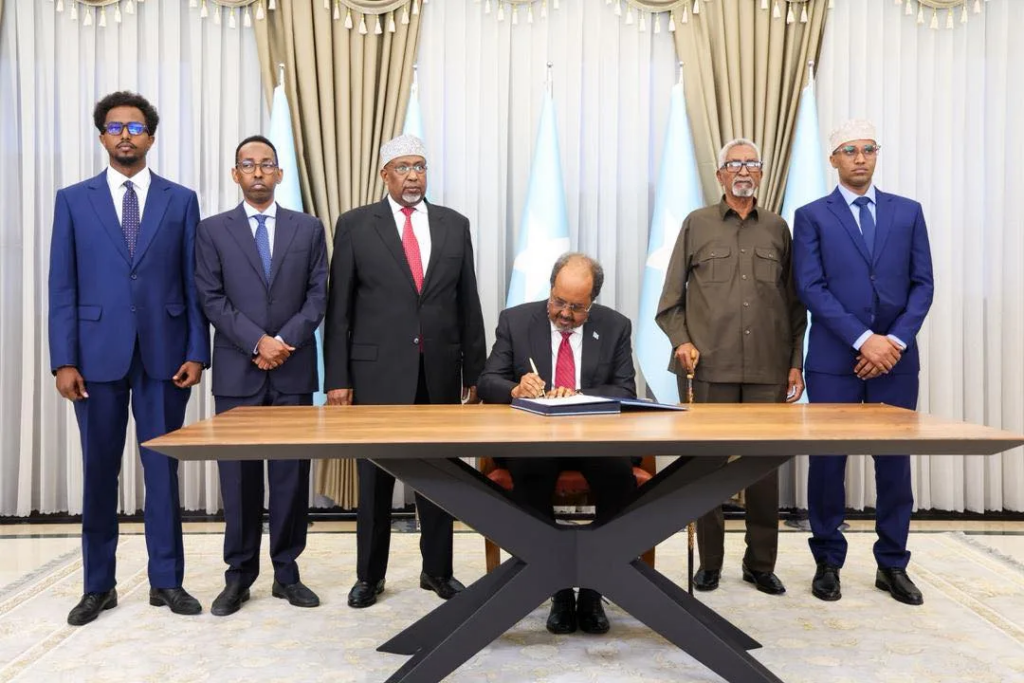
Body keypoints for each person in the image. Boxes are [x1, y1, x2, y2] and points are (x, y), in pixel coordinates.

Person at [48, 91, 209, 625]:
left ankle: (167, 581)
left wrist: (197, 350)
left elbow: (192, 281)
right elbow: (62, 285)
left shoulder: (180, 200)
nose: (125, 135)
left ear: (150, 138)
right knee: (99, 472)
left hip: (166, 355)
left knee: (162, 471)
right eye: (115, 127)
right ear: (102, 137)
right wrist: (63, 360)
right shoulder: (74, 200)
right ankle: (98, 586)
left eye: (135, 127)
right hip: (94, 358)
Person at [324, 134, 487, 609]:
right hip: (375, 376)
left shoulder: (454, 224)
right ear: (384, 175)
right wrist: (338, 379)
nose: (413, 175)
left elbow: (468, 302)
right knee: (375, 480)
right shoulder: (356, 225)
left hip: (439, 372)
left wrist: (474, 374)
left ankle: (437, 571)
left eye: (420, 166)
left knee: (440, 476)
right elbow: (339, 310)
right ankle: (369, 576)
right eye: (403, 167)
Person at [656, 138, 806, 596]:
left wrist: (795, 363)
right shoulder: (697, 224)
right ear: (720, 174)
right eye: (734, 164)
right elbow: (669, 302)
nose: (743, 170)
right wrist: (682, 341)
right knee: (706, 470)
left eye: (751, 163)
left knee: (763, 473)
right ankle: (710, 563)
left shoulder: (778, 228)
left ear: (761, 173)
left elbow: (794, 305)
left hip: (767, 369)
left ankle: (760, 564)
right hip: (707, 370)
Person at [793, 120, 934, 606]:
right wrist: (862, 340)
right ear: (833, 159)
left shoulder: (908, 212)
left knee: (894, 465)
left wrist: (891, 342)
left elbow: (923, 285)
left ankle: (892, 564)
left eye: (868, 149)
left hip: (896, 361)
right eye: (849, 150)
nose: (859, 158)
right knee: (827, 464)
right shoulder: (811, 216)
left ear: (877, 154)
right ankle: (827, 561)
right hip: (835, 363)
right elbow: (811, 287)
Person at [194, 135, 328, 616]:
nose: (257, 172)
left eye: (266, 164)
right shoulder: (212, 231)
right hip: (238, 372)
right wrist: (257, 342)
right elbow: (211, 298)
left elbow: (318, 294)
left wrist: (282, 342)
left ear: (279, 173)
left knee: (291, 476)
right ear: (235, 174)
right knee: (239, 479)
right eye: (248, 165)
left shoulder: (308, 228)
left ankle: (287, 573)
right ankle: (239, 575)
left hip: (292, 370)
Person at [477, 253, 637, 635]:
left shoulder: (615, 326)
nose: (565, 313)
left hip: (593, 438)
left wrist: (580, 395)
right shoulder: (516, 321)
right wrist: (515, 389)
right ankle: (557, 588)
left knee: (619, 479)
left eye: (576, 308)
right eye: (558, 302)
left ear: (592, 302)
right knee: (531, 475)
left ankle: (595, 587)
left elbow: (625, 390)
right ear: (550, 289)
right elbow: (487, 380)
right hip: (537, 439)